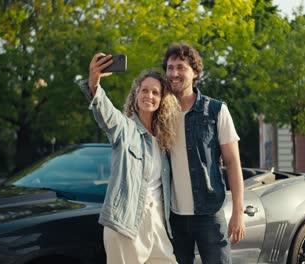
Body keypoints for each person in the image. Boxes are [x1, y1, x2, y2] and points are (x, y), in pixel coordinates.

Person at [79, 53, 180, 264]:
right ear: (136, 95)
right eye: (144, 90)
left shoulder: (163, 141)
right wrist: (94, 81)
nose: (149, 96)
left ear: (162, 100)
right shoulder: (124, 128)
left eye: (155, 92)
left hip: (157, 224)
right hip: (127, 223)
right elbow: (105, 112)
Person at [162, 42, 245, 263]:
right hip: (173, 217)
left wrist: (238, 211)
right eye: (170, 68)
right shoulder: (160, 112)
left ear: (195, 72)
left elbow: (233, 162)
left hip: (210, 214)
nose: (174, 73)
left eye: (181, 67)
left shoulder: (216, 110)